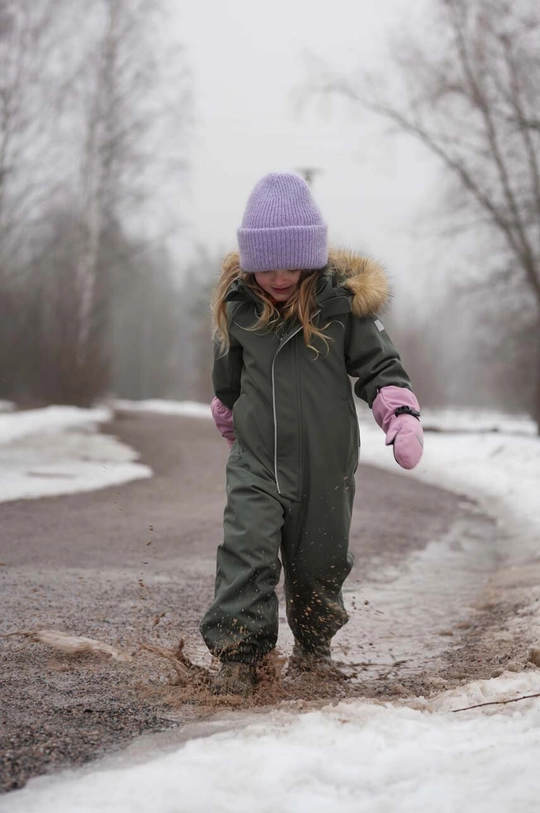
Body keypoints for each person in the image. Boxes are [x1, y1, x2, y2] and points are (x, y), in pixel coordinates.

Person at [200, 172, 423, 696]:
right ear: (251, 261)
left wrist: (400, 415)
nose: (280, 277)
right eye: (268, 265)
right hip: (256, 462)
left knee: (319, 564)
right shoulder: (239, 310)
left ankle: (315, 648)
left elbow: (380, 368)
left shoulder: (342, 307)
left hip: (326, 466)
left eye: (291, 263)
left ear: (312, 257)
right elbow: (227, 383)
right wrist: (229, 418)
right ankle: (239, 658)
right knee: (246, 553)